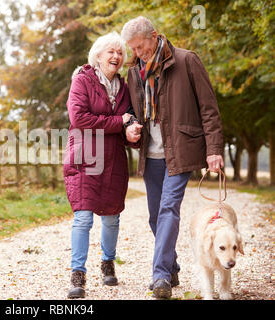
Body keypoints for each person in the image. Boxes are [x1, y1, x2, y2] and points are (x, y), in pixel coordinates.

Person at [121, 16, 224, 299]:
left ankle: (161, 277)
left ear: (154, 36)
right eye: (134, 49)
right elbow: (129, 108)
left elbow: (209, 108)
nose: (138, 54)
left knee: (168, 210)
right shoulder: (134, 71)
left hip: (180, 149)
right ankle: (172, 265)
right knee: (155, 217)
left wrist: (214, 149)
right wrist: (129, 124)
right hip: (150, 154)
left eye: (141, 47)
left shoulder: (187, 61)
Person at [63, 32, 142, 299]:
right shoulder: (82, 81)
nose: (116, 57)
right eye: (111, 51)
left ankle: (108, 263)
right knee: (83, 217)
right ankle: (78, 274)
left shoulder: (125, 87)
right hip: (85, 156)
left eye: (120, 53)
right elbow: (79, 119)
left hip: (113, 160)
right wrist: (119, 122)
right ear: (97, 55)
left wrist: (131, 132)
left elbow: (130, 121)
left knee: (111, 216)